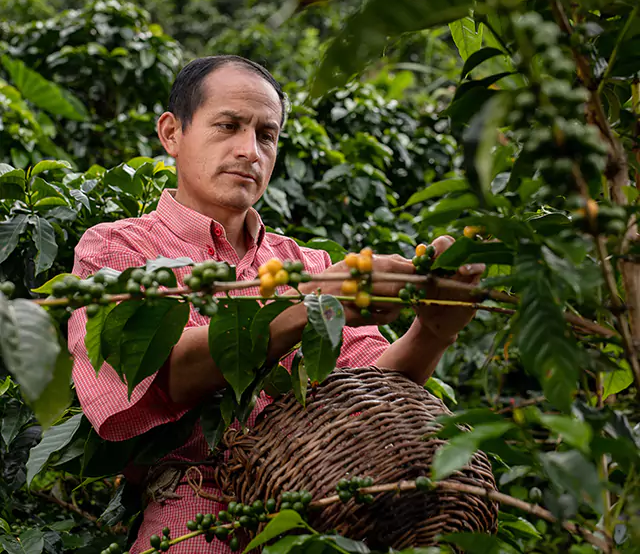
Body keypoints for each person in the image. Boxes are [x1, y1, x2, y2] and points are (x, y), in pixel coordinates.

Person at [67, 55, 484, 553]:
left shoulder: (305, 261)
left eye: (267, 135)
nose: (249, 150)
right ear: (172, 133)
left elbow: (373, 384)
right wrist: (309, 302)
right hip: (197, 519)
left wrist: (433, 330)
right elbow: (154, 377)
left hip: (322, 516)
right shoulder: (116, 251)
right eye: (228, 126)